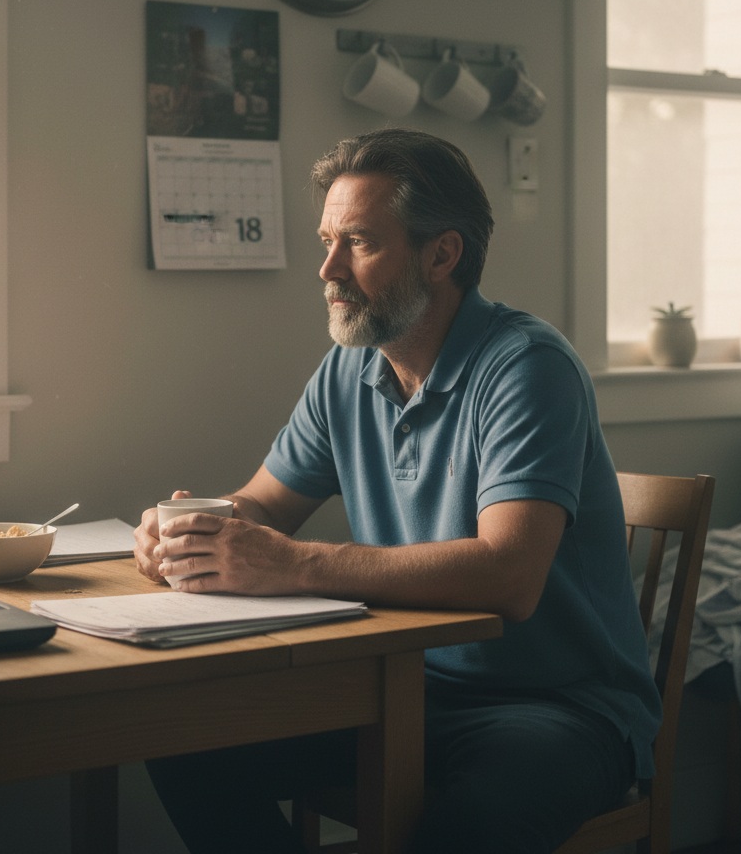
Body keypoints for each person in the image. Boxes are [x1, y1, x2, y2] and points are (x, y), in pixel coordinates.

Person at [134, 128, 660, 854]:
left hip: (557, 709)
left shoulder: (527, 368)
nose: (327, 269)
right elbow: (260, 504)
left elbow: (510, 576)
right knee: (185, 744)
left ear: (441, 254)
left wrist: (290, 564)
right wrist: (194, 530)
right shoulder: (348, 368)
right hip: (398, 688)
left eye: (358, 243)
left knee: (464, 831)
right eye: (327, 240)